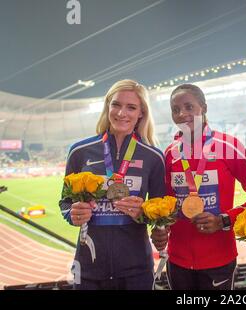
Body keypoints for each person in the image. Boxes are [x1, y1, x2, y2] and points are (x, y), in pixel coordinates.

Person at [59, 79, 165, 290]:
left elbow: (160, 211)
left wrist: (144, 213)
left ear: (141, 113)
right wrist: (73, 213)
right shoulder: (80, 152)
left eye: (131, 107)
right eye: (116, 104)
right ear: (107, 106)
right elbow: (65, 203)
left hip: (137, 269)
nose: (121, 113)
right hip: (88, 268)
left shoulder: (153, 156)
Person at [151, 84, 246, 290]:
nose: (182, 114)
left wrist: (224, 220)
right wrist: (159, 228)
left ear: (204, 108)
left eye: (189, 107)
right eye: (176, 109)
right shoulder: (170, 153)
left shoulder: (229, 146)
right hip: (178, 260)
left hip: (219, 259)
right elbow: (165, 205)